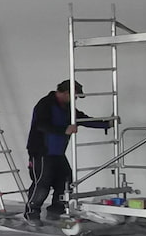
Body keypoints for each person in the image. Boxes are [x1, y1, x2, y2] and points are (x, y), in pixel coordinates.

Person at [24, 79, 113, 221]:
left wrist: (106, 124)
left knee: (65, 181)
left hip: (58, 153)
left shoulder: (68, 107)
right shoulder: (45, 104)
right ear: (66, 93)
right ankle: (31, 214)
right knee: (42, 183)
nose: (75, 100)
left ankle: (56, 211)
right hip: (42, 152)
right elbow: (41, 125)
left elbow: (82, 119)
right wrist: (64, 130)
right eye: (75, 96)